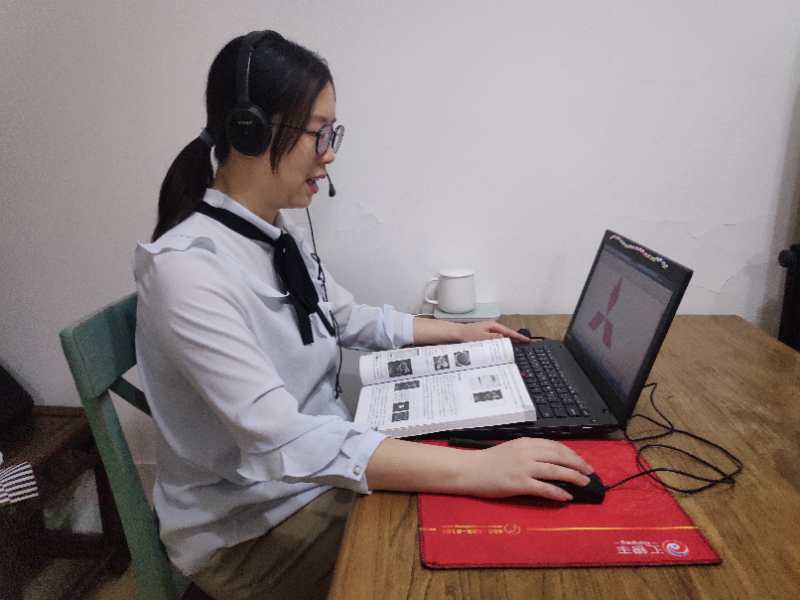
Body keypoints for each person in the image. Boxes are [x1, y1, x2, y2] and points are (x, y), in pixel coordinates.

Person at [134, 30, 595, 600]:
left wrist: (458, 334)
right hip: (249, 531)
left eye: (333, 134)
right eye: (318, 133)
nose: (329, 153)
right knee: (463, 539)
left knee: (474, 492)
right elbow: (281, 438)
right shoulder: (187, 272)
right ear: (250, 131)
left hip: (312, 484)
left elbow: (345, 316)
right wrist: (479, 470)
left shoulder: (274, 234)